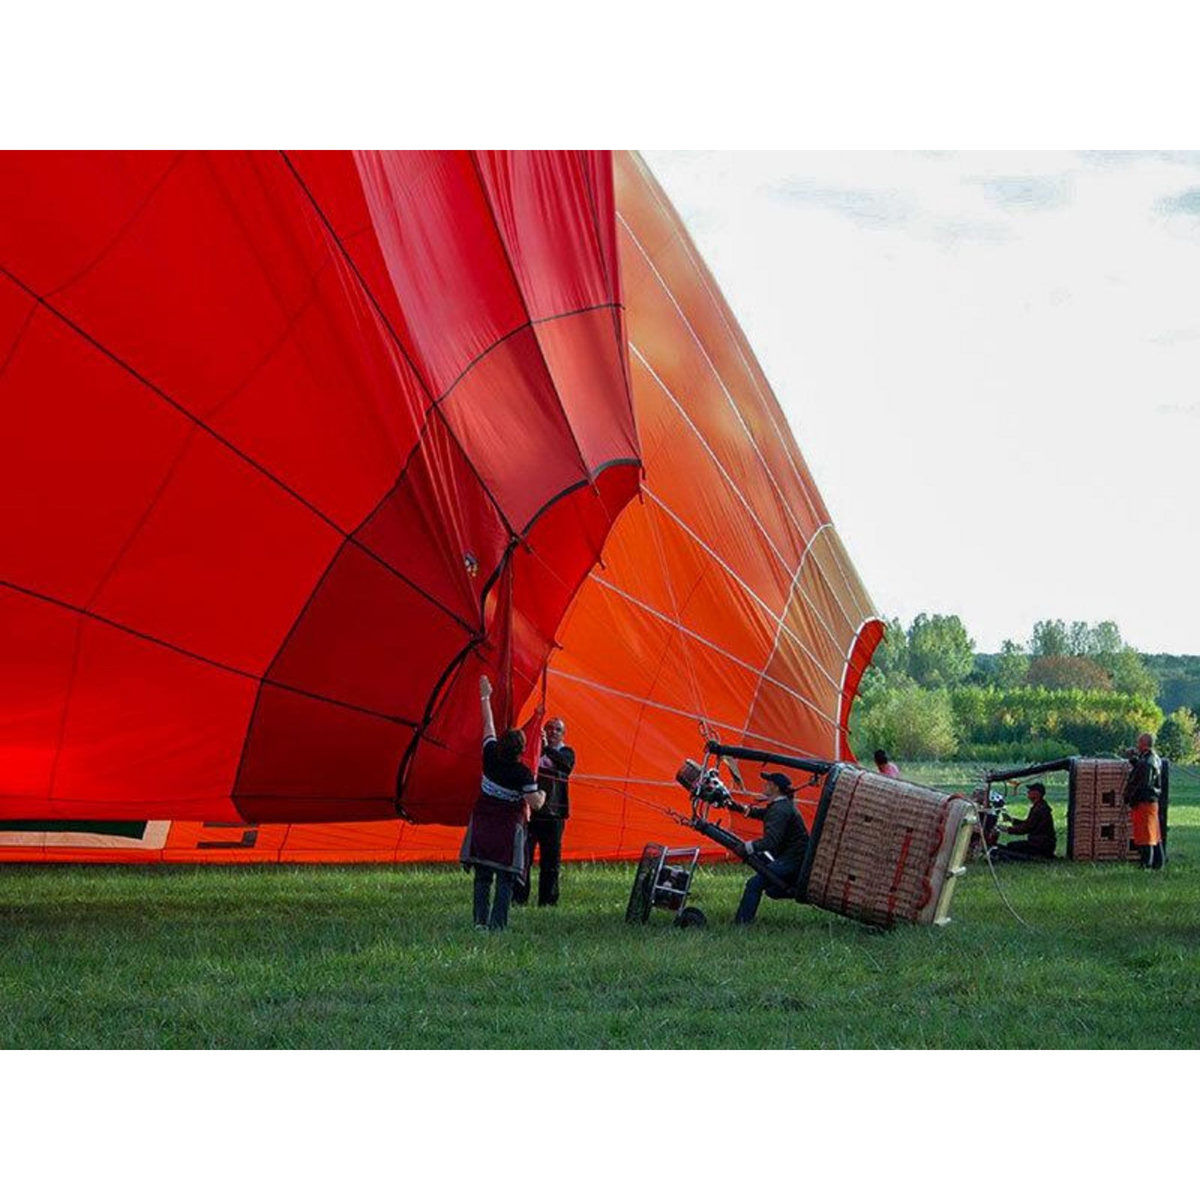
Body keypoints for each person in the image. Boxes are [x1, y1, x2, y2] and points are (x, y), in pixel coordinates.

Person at [459, 676, 545, 930]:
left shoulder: (489, 755)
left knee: (483, 876)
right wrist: (543, 795)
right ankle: (497, 926)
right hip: (506, 831)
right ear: (520, 750)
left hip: (484, 826)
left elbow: (488, 724)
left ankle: (479, 923)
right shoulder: (522, 774)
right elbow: (536, 803)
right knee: (505, 878)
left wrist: (485, 695)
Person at [732, 772, 810, 925]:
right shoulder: (781, 805)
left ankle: (742, 924)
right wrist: (736, 807)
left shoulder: (780, 810)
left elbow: (770, 842)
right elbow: (764, 814)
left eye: (767, 783)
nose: (764, 785)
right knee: (769, 887)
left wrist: (746, 847)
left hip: (792, 860)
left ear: (775, 787)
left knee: (754, 884)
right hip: (793, 858)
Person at [513, 716, 575, 907]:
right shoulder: (534, 752)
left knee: (551, 861)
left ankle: (548, 901)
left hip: (554, 814)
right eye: (549, 728)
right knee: (524, 858)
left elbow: (566, 766)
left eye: (557, 729)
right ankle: (519, 897)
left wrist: (546, 747)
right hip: (532, 813)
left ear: (563, 734)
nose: (552, 732)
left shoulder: (566, 752)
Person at [1123, 732, 1164, 869]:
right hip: (1152, 801)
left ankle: (1146, 864)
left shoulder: (1147, 762)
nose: (1137, 745)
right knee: (1154, 834)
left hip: (1144, 802)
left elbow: (1143, 783)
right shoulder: (1154, 758)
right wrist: (1133, 760)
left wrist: (1130, 798)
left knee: (1146, 835)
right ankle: (1158, 863)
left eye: (1139, 742)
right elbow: (1143, 770)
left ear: (1144, 744)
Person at [993, 782, 1056, 860]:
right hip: (1042, 844)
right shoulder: (1040, 806)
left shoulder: (1039, 809)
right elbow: (1029, 823)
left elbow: (1026, 828)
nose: (1028, 792)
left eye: (1030, 791)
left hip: (1040, 845)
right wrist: (1011, 820)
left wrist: (1006, 829)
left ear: (1037, 794)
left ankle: (1035, 857)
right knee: (1012, 846)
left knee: (1012, 846)